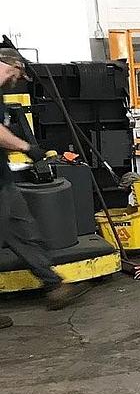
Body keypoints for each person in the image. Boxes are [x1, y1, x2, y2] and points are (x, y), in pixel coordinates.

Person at [0, 49, 77, 311]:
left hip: (3, 180)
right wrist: (27, 148)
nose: (17, 79)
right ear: (11, 67)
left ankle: (54, 285)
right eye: (19, 74)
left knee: (24, 232)